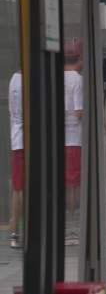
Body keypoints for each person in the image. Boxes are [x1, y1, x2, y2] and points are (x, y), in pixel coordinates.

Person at [64, 42, 84, 244]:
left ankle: (67, 225)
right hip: (74, 139)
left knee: (65, 184)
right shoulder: (77, 80)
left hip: (61, 140)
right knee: (74, 186)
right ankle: (72, 228)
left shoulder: (57, 76)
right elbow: (78, 112)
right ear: (79, 59)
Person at [8, 69, 23, 249]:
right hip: (26, 140)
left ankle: (14, 231)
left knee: (18, 188)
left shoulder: (13, 79)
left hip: (17, 139)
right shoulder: (27, 81)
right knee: (20, 189)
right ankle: (15, 232)